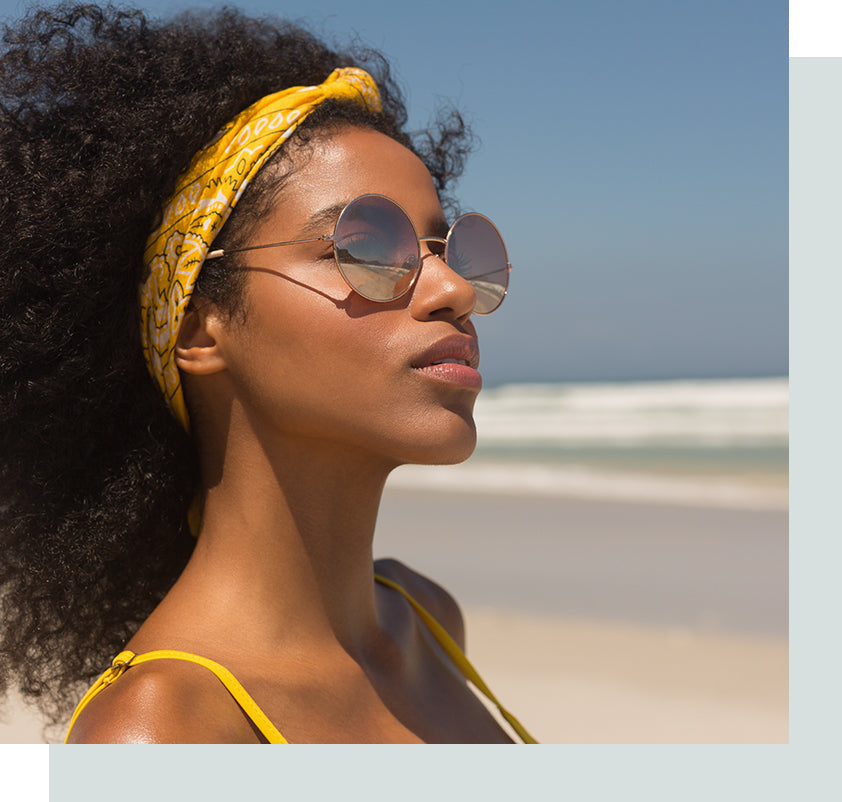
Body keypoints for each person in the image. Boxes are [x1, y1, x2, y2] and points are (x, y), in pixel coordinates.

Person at [0, 2, 534, 743]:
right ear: (196, 328)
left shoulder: (425, 618)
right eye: (367, 248)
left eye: (448, 248)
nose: (453, 290)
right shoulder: (164, 733)